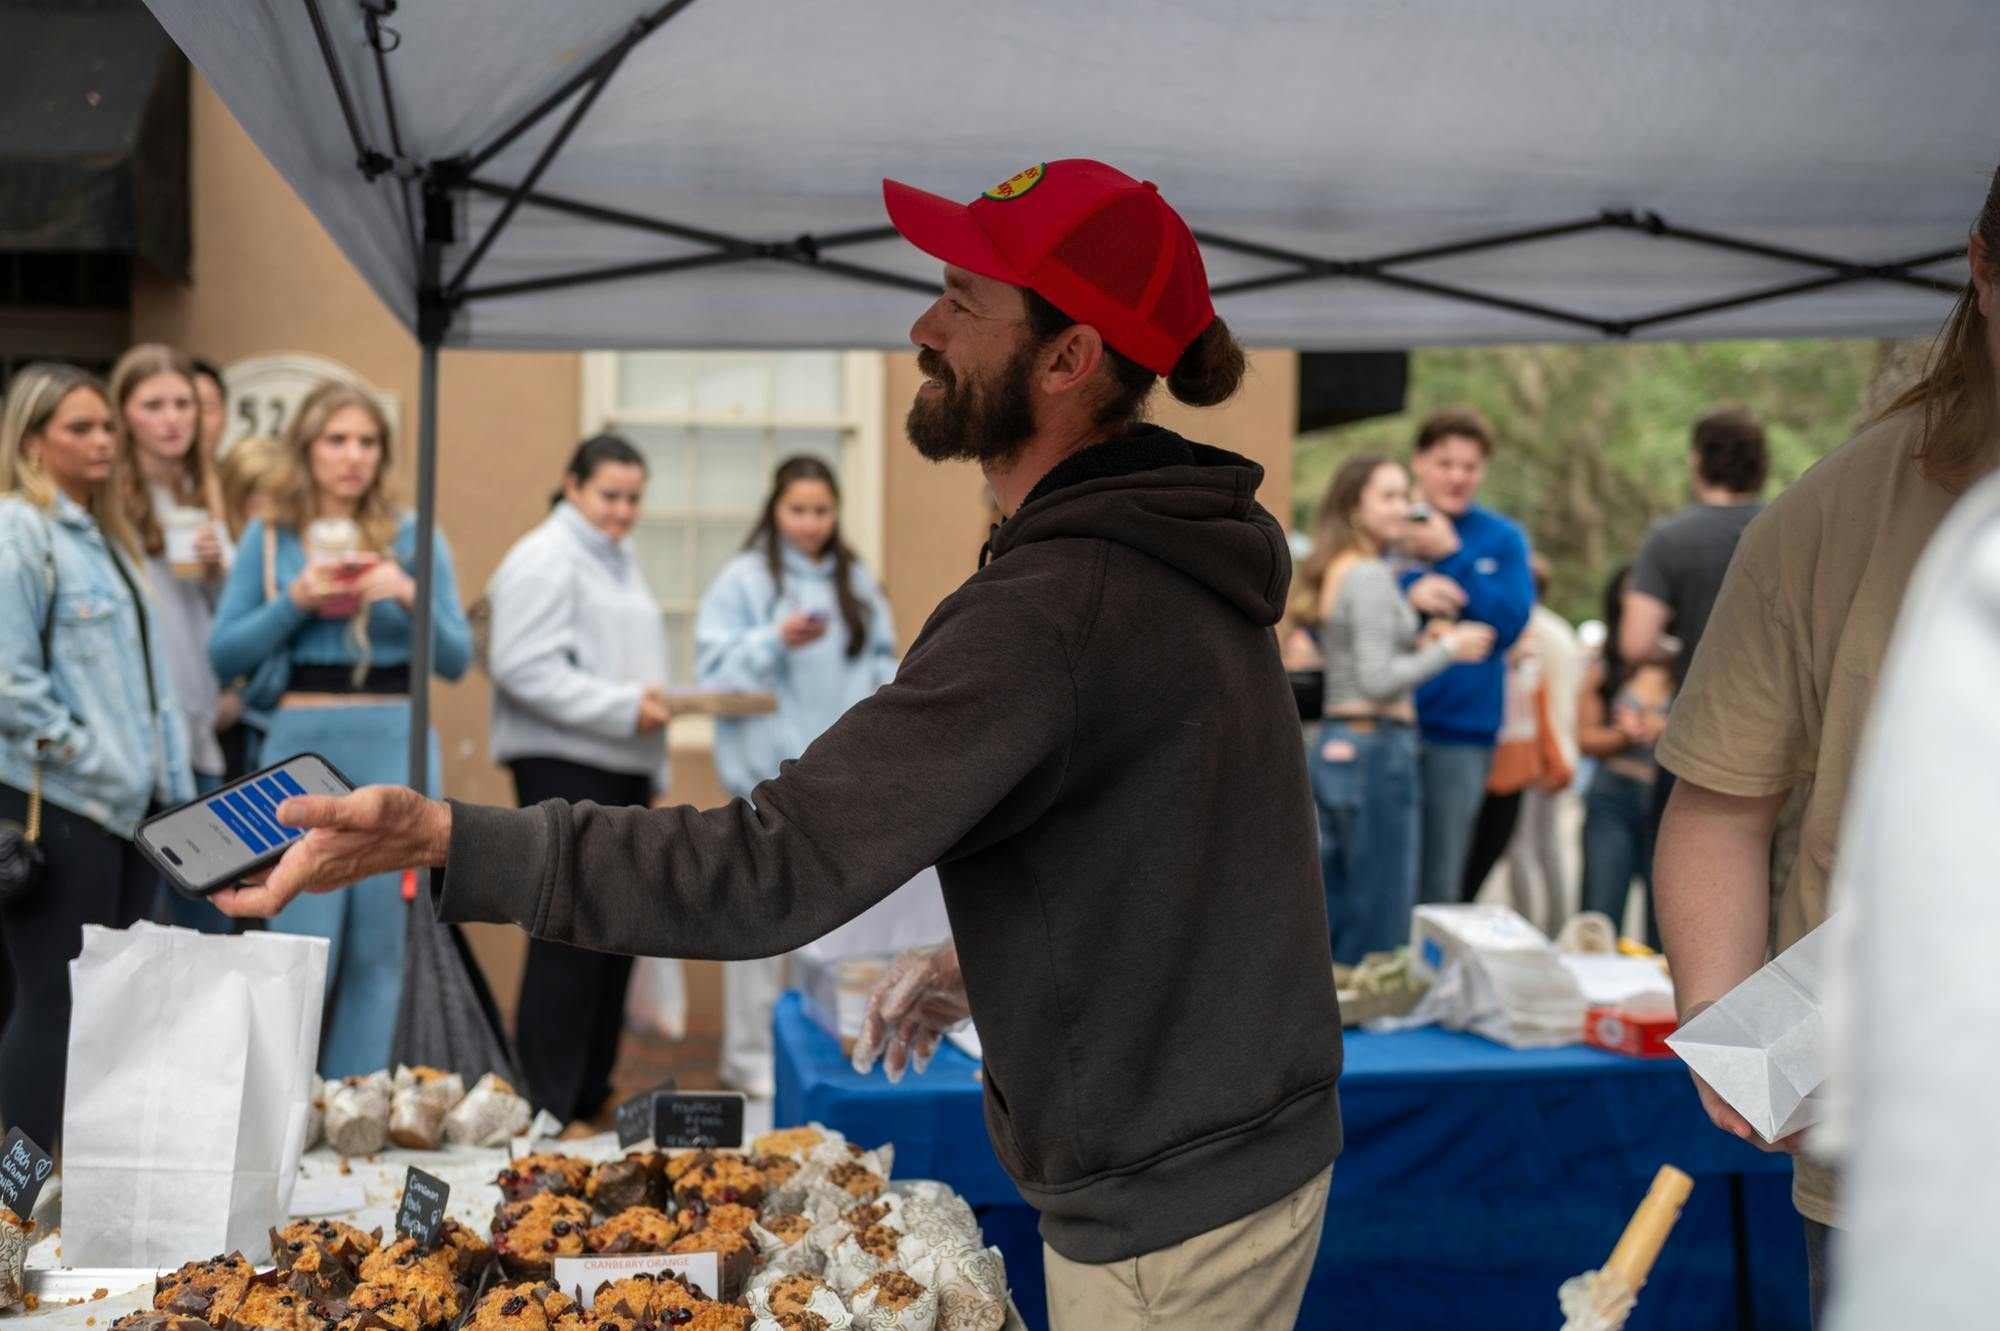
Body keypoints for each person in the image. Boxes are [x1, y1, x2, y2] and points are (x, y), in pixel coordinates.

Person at [212, 159, 1341, 1330]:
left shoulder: (1062, 598)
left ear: (1067, 360)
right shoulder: (1161, 549)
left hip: (1172, 1190)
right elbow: (1171, 839)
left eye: (961, 300)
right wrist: (994, 958)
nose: (924, 325)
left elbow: (766, 865)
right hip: (1221, 1143)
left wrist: (447, 834)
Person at [1654, 165, 2000, 1326]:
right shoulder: (1841, 505)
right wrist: (1727, 1027)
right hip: (1905, 1167)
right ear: (1981, 270)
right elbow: (1717, 802)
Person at [209, 379, 471, 1077]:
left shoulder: (416, 536)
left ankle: (353, 1105)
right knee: (297, 941)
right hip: (299, 744)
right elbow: (223, 653)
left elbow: (455, 658)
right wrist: (294, 600)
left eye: (367, 441)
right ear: (307, 448)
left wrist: (407, 592)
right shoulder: (271, 536)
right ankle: (282, 1115)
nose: (353, 456)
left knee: (381, 947)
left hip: (395, 736)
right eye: (337, 440)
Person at [0, 363, 192, 1145]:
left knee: (107, 1004)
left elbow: (154, 688)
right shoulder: (21, 528)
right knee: (52, 998)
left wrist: (173, 794)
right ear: (32, 442)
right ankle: (15, 1214)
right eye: (81, 427)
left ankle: (81, 1192)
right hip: (65, 805)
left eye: (107, 425)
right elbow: (9, 680)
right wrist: (87, 753)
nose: (103, 440)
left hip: (130, 813)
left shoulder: (104, 538)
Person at [695, 455, 899, 1098]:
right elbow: (714, 673)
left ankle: (818, 1053)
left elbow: (884, 663)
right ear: (774, 510)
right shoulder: (744, 579)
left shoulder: (854, 579)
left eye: (822, 510)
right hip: (762, 780)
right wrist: (773, 640)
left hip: (837, 778)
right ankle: (749, 1059)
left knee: (834, 925)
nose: (810, 523)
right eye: (797, 509)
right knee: (758, 915)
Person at [487, 434, 673, 1121]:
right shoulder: (545, 556)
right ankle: (548, 1103)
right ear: (572, 486)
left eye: (633, 498)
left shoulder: (614, 559)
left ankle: (590, 1092)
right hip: (563, 761)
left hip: (619, 760)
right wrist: (626, 706)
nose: (623, 510)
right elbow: (521, 665)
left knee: (613, 930)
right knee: (567, 929)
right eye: (610, 495)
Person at [1292, 453, 1492, 964]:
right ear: (1354, 506)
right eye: (1389, 496)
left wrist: (1422, 637)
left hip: (1338, 743)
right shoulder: (1370, 575)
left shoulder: (1338, 569)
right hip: (1377, 746)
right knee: (1379, 918)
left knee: (1335, 907)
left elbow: (1362, 665)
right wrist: (1450, 649)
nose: (1404, 507)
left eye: (1405, 495)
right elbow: (1379, 681)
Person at [108, 344, 237, 933]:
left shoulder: (204, 493)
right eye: (153, 404)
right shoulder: (107, 502)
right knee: (139, 926)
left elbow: (220, 620)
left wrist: (220, 570)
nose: (172, 418)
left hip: (199, 735)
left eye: (182, 402)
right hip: (134, 742)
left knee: (209, 918)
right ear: (124, 414)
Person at [1398, 408, 1536, 904]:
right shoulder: (1389, 526)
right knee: (1378, 874)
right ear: (1419, 461)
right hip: (1385, 725)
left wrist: (1452, 553)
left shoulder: (1502, 538)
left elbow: (1511, 622)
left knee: (1441, 880)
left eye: (1469, 466)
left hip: (1460, 736)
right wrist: (1410, 591)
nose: (1457, 476)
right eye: (1444, 462)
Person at [1620, 407, 1768, 856]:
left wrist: (1680, 648)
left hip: (1695, 729)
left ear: (1698, 461)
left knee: (1677, 859)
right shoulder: (1783, 526)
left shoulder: (1671, 538)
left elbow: (1635, 642)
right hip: (1776, 732)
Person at [1577, 567, 1672, 940]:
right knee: (1598, 919)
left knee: (1665, 931)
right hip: (1612, 796)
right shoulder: (1606, 668)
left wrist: (1664, 729)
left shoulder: (1689, 665)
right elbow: (1584, 739)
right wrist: (1622, 735)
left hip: (1668, 802)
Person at [1499, 555, 1584, 933]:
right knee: (1549, 848)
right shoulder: (1562, 631)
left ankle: (1532, 928)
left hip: (1537, 753)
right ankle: (1557, 925)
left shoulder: (1528, 632)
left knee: (1524, 849)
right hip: (1562, 747)